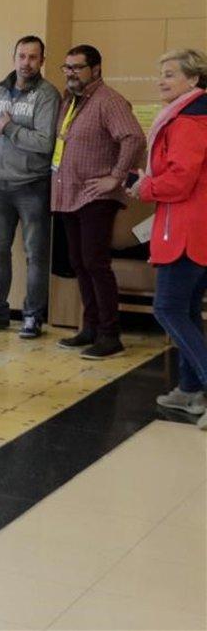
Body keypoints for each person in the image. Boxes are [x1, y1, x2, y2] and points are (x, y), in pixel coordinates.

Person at [128, 49, 207, 429]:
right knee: (187, 310)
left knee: (168, 309)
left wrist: (146, 187)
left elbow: (179, 180)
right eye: (161, 73)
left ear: (193, 80)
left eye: (171, 74)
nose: (162, 80)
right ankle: (190, 390)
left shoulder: (188, 123)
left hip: (187, 230)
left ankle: (201, 384)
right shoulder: (189, 116)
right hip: (193, 227)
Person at [51, 44, 145, 359]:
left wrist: (116, 176)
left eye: (77, 67)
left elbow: (133, 137)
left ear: (96, 69)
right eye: (67, 68)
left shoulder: (109, 100)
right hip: (68, 195)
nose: (71, 73)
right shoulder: (72, 101)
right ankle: (90, 328)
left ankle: (110, 334)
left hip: (95, 197)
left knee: (95, 263)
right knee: (79, 263)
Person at [0, 35, 60, 338]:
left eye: (33, 57)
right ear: (14, 58)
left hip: (32, 185)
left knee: (35, 254)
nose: (26, 63)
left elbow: (45, 143)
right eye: (22, 56)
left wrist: (11, 128)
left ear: (42, 61)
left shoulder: (47, 95)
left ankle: (32, 316)